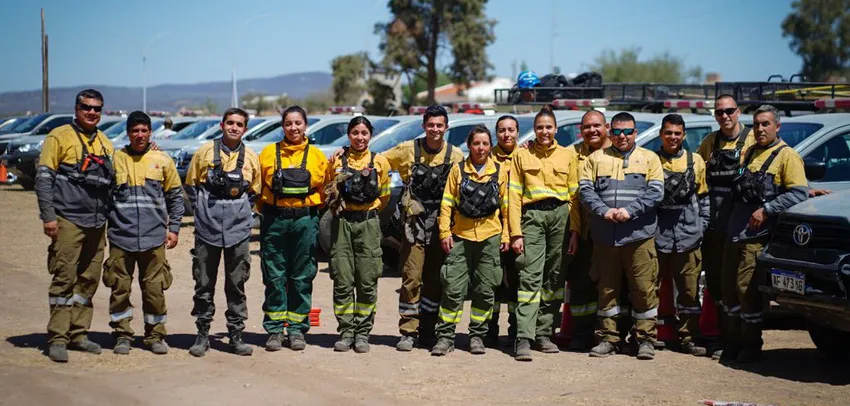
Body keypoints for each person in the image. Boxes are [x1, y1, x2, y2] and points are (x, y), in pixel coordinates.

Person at [721, 105, 808, 363]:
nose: (760, 129)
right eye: (757, 124)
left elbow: (798, 193)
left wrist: (767, 210)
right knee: (729, 292)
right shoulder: (748, 153)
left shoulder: (787, 156)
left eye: (766, 124)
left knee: (746, 291)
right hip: (734, 233)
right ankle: (733, 340)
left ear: (777, 127)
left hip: (755, 237)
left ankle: (751, 344)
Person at [35, 89, 114, 363]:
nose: (92, 112)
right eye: (86, 107)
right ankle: (57, 338)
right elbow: (44, 178)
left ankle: (78, 333)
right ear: (76, 108)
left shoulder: (105, 142)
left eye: (97, 109)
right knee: (64, 278)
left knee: (88, 280)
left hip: (96, 222)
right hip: (68, 219)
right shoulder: (59, 136)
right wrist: (49, 216)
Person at [580, 112, 664, 360]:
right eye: (616, 132)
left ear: (636, 133)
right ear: (610, 132)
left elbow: (656, 193)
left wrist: (630, 211)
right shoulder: (595, 159)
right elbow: (585, 191)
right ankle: (608, 339)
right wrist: (604, 211)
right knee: (607, 290)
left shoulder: (650, 159)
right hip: (606, 238)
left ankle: (645, 339)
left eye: (627, 131)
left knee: (643, 289)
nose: (622, 136)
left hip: (639, 237)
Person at [382, 105, 464, 351]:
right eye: (431, 125)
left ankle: (428, 331)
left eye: (440, 125)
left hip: (442, 226)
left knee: (435, 281)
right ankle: (408, 332)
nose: (435, 129)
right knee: (411, 279)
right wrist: (346, 155)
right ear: (423, 126)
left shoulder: (456, 155)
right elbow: (379, 162)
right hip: (413, 227)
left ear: (446, 127)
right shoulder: (408, 149)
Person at [103, 111, 183, 355]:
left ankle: (155, 336)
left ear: (151, 133)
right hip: (121, 238)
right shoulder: (115, 160)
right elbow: (103, 198)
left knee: (154, 290)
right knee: (119, 289)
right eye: (135, 130)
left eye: (144, 130)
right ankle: (122, 335)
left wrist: (175, 228)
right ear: (128, 133)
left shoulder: (162, 160)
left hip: (153, 238)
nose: (140, 135)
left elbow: (176, 197)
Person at [184, 108, 261, 357]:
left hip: (238, 232)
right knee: (204, 283)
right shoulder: (204, 152)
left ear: (245, 129)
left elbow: (255, 192)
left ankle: (235, 335)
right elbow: (192, 186)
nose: (234, 127)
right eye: (230, 123)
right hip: (208, 230)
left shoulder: (251, 156)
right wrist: (205, 211)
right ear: (221, 124)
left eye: (239, 124)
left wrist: (240, 212)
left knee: (236, 284)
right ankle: (202, 334)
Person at [508, 106, 580, 361]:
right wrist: (516, 233)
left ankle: (544, 334)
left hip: (561, 216)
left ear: (556, 129)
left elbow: (574, 197)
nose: (544, 131)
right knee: (529, 277)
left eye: (548, 127)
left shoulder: (567, 156)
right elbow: (514, 196)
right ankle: (524, 338)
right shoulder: (522, 155)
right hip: (533, 217)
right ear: (535, 130)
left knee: (554, 278)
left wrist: (574, 230)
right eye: (540, 127)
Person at [431, 125, 509, 356]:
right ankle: (445, 337)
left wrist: (506, 235)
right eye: (477, 143)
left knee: (485, 290)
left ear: (490, 145)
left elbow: (506, 207)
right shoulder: (458, 171)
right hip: (460, 238)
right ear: (470, 145)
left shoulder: (499, 171)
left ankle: (477, 336)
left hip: (490, 238)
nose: (481, 148)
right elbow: (446, 205)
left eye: (485, 143)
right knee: (452, 289)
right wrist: (445, 233)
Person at [258, 105, 329, 352]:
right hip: (274, 220)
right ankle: (275, 331)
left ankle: (297, 330)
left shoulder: (318, 156)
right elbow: (259, 189)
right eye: (288, 123)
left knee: (301, 276)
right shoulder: (267, 153)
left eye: (298, 123)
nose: (293, 128)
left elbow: (326, 190)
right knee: (274, 276)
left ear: (305, 125)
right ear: (282, 126)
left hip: (305, 221)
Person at [696, 94, 755, 359]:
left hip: (743, 227)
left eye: (729, 111)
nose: (724, 116)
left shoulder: (754, 139)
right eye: (719, 112)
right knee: (718, 285)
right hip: (715, 226)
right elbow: (695, 174)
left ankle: (746, 342)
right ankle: (722, 338)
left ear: (738, 112)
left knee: (742, 286)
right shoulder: (710, 142)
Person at [326, 116, 391, 353]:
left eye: (364, 133)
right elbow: (328, 188)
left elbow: (383, 197)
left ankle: (362, 333)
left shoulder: (380, 162)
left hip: (368, 224)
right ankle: (346, 332)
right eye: (355, 132)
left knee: (367, 281)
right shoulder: (335, 160)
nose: (359, 137)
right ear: (348, 134)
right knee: (342, 280)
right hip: (342, 223)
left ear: (370, 135)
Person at [653, 114, 709, 356]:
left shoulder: (695, 161)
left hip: (689, 236)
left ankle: (689, 338)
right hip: (657, 235)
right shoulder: (651, 161)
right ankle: (648, 337)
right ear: (661, 135)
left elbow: (704, 197)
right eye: (668, 133)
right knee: (649, 288)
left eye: (677, 133)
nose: (673, 137)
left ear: (683, 135)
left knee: (688, 290)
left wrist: (702, 226)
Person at [563, 110, 612, 352]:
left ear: (607, 127)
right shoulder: (572, 154)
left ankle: (610, 335)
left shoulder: (618, 152)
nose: (592, 131)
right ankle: (582, 333)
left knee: (610, 285)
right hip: (582, 232)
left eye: (596, 126)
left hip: (612, 233)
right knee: (581, 285)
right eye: (586, 127)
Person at [486, 115, 520, 347]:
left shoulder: (526, 155)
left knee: (518, 283)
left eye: (511, 130)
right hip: (493, 229)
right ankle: (489, 331)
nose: (506, 134)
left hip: (520, 228)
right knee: (492, 282)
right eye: (501, 130)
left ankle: (517, 331)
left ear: (517, 132)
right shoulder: (485, 157)